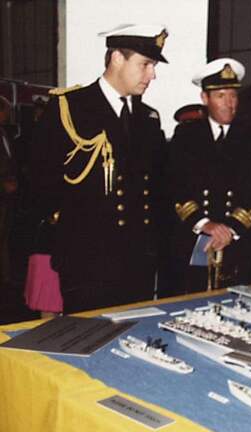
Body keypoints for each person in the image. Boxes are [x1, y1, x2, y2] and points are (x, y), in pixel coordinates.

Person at [29, 24, 169, 313]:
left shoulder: (148, 118)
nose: (152, 74)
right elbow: (40, 184)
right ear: (117, 57)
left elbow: (156, 189)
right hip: (87, 263)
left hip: (139, 262)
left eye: (153, 66)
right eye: (145, 65)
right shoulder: (70, 107)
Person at [166, 58, 251, 294]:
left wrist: (229, 228)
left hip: (237, 240)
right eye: (221, 96)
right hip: (195, 237)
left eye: (233, 95)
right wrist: (205, 223)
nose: (230, 104)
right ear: (205, 98)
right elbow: (175, 185)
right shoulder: (186, 136)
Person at [0, 95, 18, 286]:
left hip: (7, 198)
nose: (9, 115)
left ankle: (5, 278)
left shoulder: (5, 133)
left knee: (4, 239)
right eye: (7, 111)